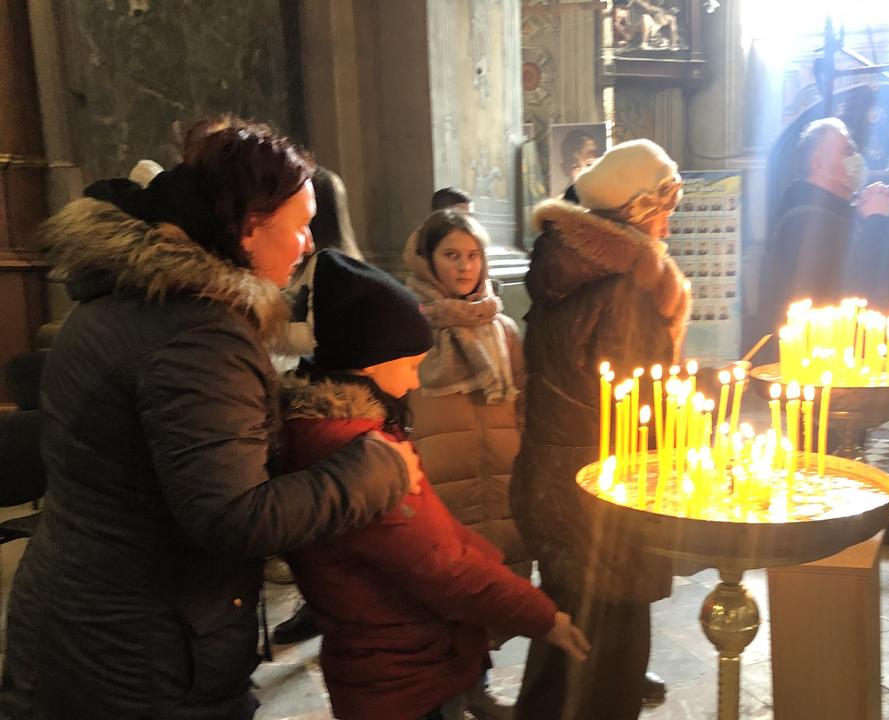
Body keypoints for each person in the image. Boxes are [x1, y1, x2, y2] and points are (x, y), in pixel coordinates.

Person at [0, 118, 423, 720]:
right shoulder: (197, 336)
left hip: (94, 620)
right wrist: (375, 470)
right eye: (300, 225)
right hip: (141, 655)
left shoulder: (135, 298)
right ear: (249, 225)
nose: (308, 243)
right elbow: (232, 515)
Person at [280, 249, 588, 720]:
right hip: (402, 676)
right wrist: (543, 617)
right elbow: (442, 567)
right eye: (407, 363)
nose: (412, 380)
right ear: (367, 359)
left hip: (391, 659)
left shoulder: (340, 427)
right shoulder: (358, 454)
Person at [512, 139, 691, 720]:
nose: (670, 220)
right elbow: (645, 401)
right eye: (666, 205)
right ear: (639, 210)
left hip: (558, 477)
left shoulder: (564, 268)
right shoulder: (626, 290)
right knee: (611, 660)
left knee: (564, 633)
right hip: (611, 490)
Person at [403, 209, 529, 719]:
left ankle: (476, 685)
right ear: (428, 261)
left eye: (472, 255)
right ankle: (444, 695)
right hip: (438, 481)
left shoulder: (501, 326)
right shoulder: (412, 326)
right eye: (451, 255)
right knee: (440, 594)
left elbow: (521, 399)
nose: (464, 267)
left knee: (487, 588)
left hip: (497, 478)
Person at [270, 164, 368, 643]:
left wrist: (267, 326)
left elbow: (319, 333)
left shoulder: (326, 264)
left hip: (324, 394)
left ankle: (322, 605)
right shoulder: (335, 259)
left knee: (322, 517)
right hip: (330, 394)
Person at [750, 117, 889, 356]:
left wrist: (873, 215)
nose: (856, 158)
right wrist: (875, 221)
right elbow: (853, 288)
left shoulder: (836, 213)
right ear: (819, 163)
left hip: (838, 354)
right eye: (847, 151)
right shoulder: (805, 221)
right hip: (818, 359)